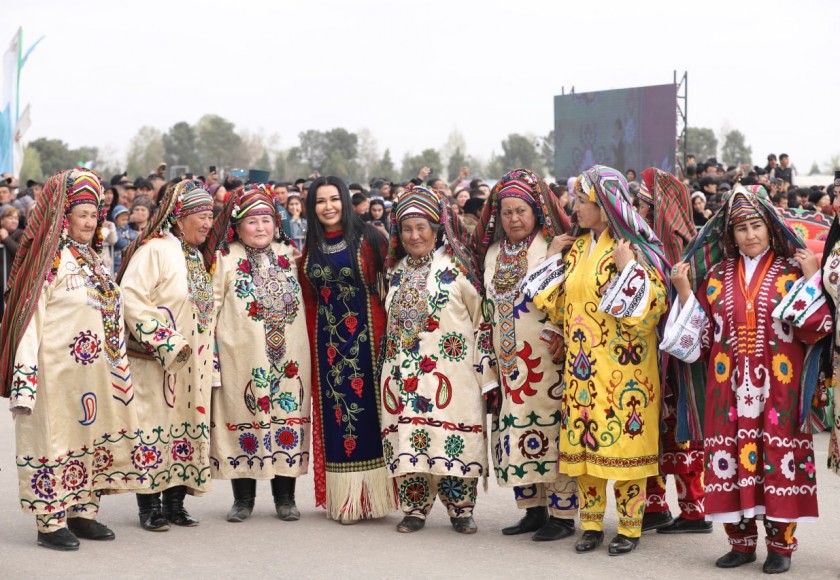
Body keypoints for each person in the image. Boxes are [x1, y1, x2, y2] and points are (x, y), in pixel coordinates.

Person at [661, 185, 830, 574]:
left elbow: (816, 329)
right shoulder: (717, 276)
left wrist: (811, 278)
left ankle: (780, 547)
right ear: (730, 235)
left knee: (777, 459)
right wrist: (685, 291)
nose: (750, 235)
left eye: (756, 226)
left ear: (771, 228)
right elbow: (698, 341)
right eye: (741, 229)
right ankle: (741, 545)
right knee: (729, 460)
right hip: (728, 390)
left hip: (779, 390)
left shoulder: (792, 270)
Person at [0, 169, 147, 550]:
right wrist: (26, 380)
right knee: (55, 440)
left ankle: (84, 513)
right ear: (62, 217)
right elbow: (27, 322)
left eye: (94, 214)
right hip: (56, 375)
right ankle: (50, 521)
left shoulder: (93, 258)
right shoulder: (46, 263)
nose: (89, 221)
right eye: (81, 213)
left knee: (91, 438)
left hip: (95, 375)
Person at [528, 165, 669, 555]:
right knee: (587, 452)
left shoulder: (633, 249)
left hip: (624, 372)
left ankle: (629, 527)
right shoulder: (575, 250)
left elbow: (652, 309)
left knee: (623, 449)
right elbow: (559, 309)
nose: (574, 208)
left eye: (582, 202)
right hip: (581, 371)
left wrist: (628, 270)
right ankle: (591, 524)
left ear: (605, 207)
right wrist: (551, 263)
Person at [381, 185, 496, 534]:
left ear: (437, 227)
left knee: (453, 437)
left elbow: (482, 320)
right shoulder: (394, 271)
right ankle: (415, 508)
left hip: (453, 374)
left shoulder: (458, 269)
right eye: (406, 229)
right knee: (408, 436)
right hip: (403, 373)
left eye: (421, 227)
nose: (414, 236)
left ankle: (461, 509)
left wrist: (486, 373)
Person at [473, 168, 579, 542]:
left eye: (521, 210)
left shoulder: (558, 244)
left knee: (551, 429)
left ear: (536, 211)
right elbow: (486, 306)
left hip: (547, 359)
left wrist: (562, 332)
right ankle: (533, 510)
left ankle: (563, 516)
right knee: (514, 428)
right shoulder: (492, 252)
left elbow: (573, 297)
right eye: (507, 212)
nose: (514, 218)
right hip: (508, 363)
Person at [118, 179, 220, 532]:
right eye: (200, 216)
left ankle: (176, 504)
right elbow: (130, 297)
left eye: (210, 216)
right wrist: (164, 340)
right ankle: (150, 507)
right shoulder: (155, 249)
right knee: (152, 426)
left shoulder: (195, 256)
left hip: (195, 363)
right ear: (179, 217)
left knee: (186, 427)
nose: (208, 224)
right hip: (157, 361)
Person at [299, 175, 397, 524]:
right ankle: (346, 500)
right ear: (313, 208)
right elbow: (309, 299)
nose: (328, 207)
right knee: (337, 418)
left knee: (372, 417)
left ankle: (374, 498)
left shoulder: (371, 238)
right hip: (328, 345)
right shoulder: (310, 245)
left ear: (345, 200)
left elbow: (391, 287)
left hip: (368, 341)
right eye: (320, 201)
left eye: (334, 199)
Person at [211, 184, 311, 523]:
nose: (260, 228)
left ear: (276, 222)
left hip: (290, 359)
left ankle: (285, 498)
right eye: (251, 222)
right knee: (245, 416)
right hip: (241, 357)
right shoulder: (225, 258)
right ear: (237, 227)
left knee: (287, 418)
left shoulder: (290, 254)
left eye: (266, 220)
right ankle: (243, 500)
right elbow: (210, 306)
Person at [637, 168, 711, 534]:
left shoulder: (692, 252)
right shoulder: (642, 245)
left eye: (646, 206)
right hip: (648, 356)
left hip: (680, 363)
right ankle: (654, 505)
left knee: (680, 429)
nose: (640, 211)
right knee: (649, 428)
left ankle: (694, 509)